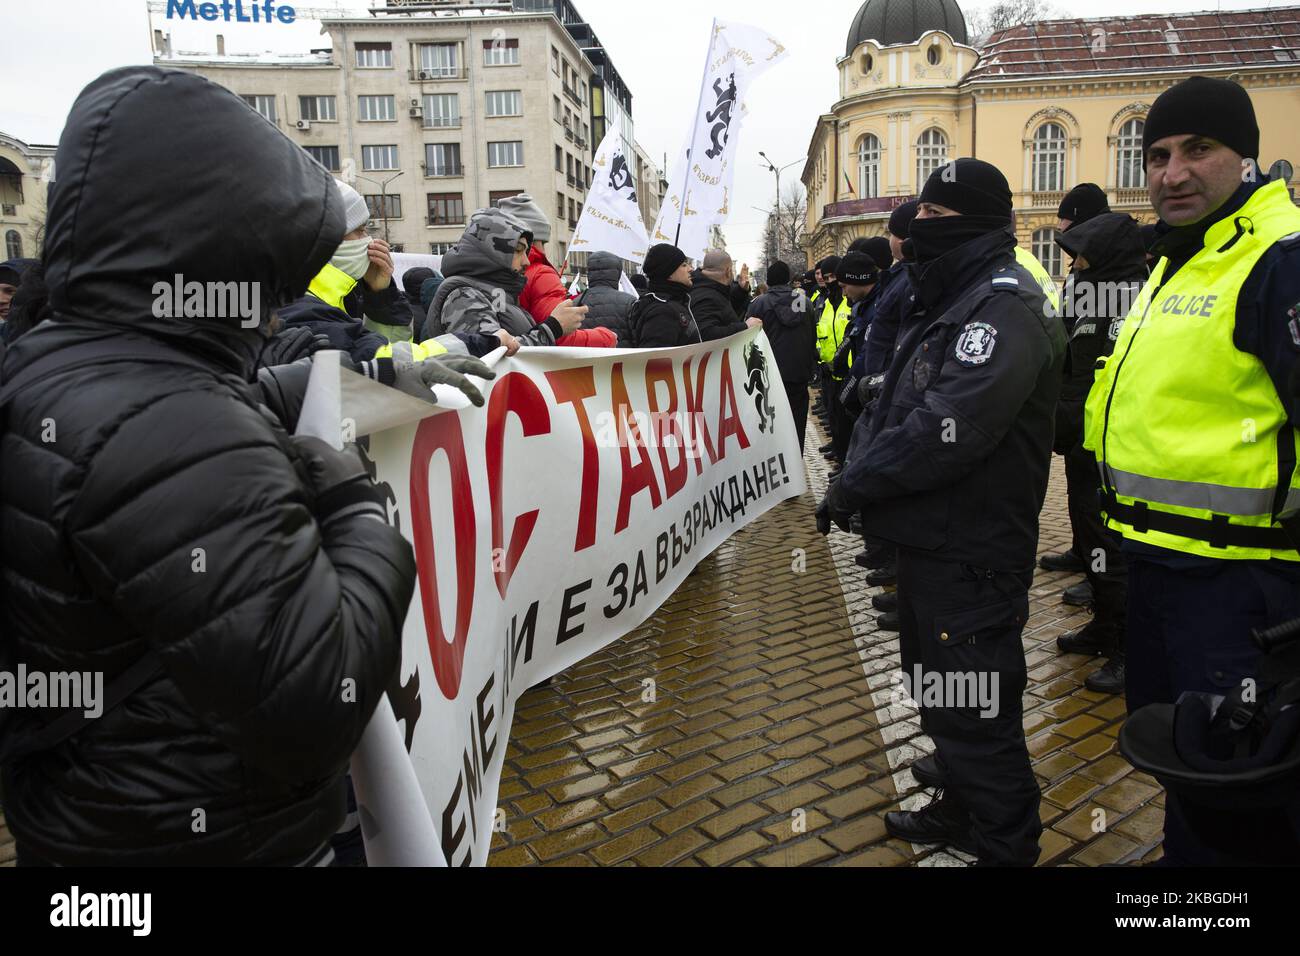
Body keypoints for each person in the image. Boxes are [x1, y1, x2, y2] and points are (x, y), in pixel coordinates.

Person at [0, 65, 477, 866]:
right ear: (228, 240)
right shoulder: (176, 424)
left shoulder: (67, 358)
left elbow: (220, 397)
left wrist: (380, 379)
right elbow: (321, 702)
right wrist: (358, 510)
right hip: (225, 834)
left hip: (98, 822)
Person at [821, 158, 1065, 865]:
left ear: (973, 220)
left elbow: (943, 429)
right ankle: (960, 809)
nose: (914, 232)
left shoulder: (1004, 305)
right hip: (933, 543)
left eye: (931, 218)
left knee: (978, 715)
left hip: (973, 551)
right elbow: (905, 401)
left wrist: (855, 484)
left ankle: (1004, 846)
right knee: (942, 699)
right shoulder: (952, 294)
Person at [1082, 76, 1300, 865]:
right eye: (1158, 155)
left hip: (1245, 593)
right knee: (1191, 774)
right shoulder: (1182, 259)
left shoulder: (1279, 260)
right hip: (1164, 572)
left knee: (1241, 792)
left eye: (1198, 150)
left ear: (1245, 157)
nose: (1172, 173)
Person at [1050, 213, 1147, 696]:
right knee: (1090, 535)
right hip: (1082, 444)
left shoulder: (1132, 298)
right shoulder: (1088, 291)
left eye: (1083, 255)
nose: (1075, 264)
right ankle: (1103, 625)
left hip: (1117, 452)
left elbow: (1110, 380)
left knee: (1115, 548)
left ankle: (1131, 650)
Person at [277, 179, 413, 362]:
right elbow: (385, 364)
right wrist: (463, 341)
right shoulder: (295, 309)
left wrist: (379, 297)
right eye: (359, 231)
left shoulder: (343, 296)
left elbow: (386, 362)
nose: (369, 241)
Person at [421, 207, 587, 348]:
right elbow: (492, 357)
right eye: (518, 250)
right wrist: (553, 328)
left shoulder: (494, 293)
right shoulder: (464, 294)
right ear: (493, 250)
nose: (527, 261)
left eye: (526, 251)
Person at [497, 193, 614, 349]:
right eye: (543, 242)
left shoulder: (489, 274)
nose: (544, 251)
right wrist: (606, 337)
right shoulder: (541, 274)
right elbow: (561, 336)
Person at [747, 260, 815, 450]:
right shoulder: (803, 302)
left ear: (768, 280)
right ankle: (795, 458)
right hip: (798, 373)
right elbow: (811, 336)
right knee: (797, 421)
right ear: (788, 280)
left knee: (769, 422)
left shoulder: (759, 304)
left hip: (769, 375)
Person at [814, 256, 853, 474]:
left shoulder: (850, 302)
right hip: (830, 372)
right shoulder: (827, 304)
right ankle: (840, 459)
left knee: (849, 425)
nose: (829, 281)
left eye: (832, 276)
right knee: (836, 423)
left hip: (850, 374)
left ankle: (847, 463)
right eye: (825, 276)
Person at [627, 243, 701, 348]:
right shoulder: (662, 311)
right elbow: (656, 359)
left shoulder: (674, 302)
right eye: (684, 265)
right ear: (669, 273)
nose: (691, 269)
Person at [690, 249, 760, 342]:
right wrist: (745, 326)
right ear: (728, 271)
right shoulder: (706, 295)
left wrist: (742, 290)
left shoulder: (708, 286)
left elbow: (724, 308)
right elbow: (705, 334)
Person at [576, 251, 636, 346]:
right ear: (617, 272)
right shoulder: (630, 302)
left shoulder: (575, 303)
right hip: (622, 359)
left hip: (585, 360)